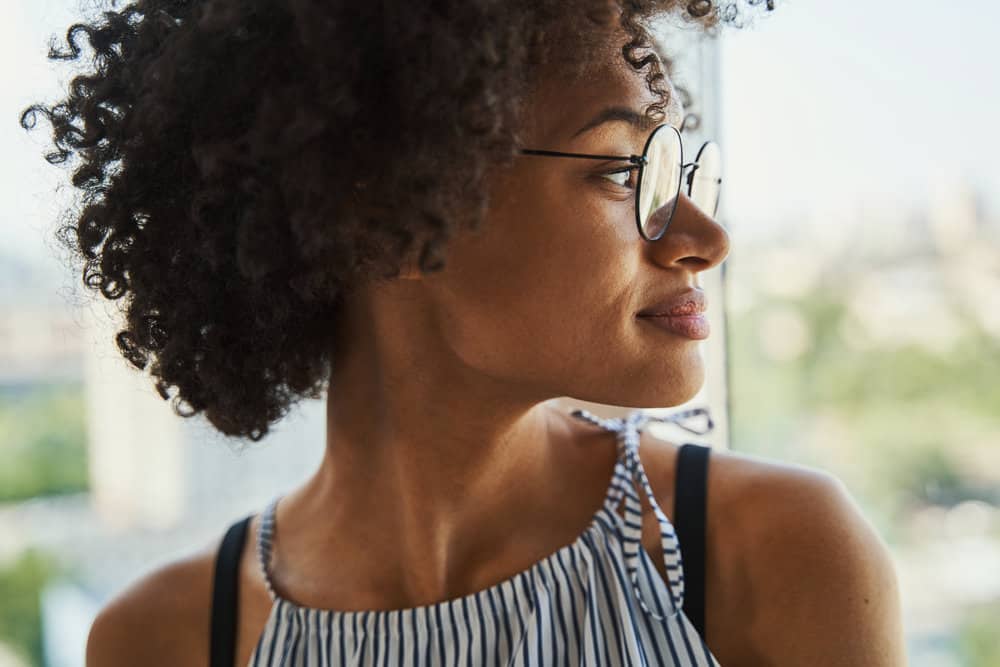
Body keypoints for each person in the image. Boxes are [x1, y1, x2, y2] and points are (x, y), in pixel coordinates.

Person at [21, 0, 906, 664]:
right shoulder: (160, 643)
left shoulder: (782, 552)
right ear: (394, 221)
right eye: (620, 172)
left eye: (680, 168)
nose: (704, 240)